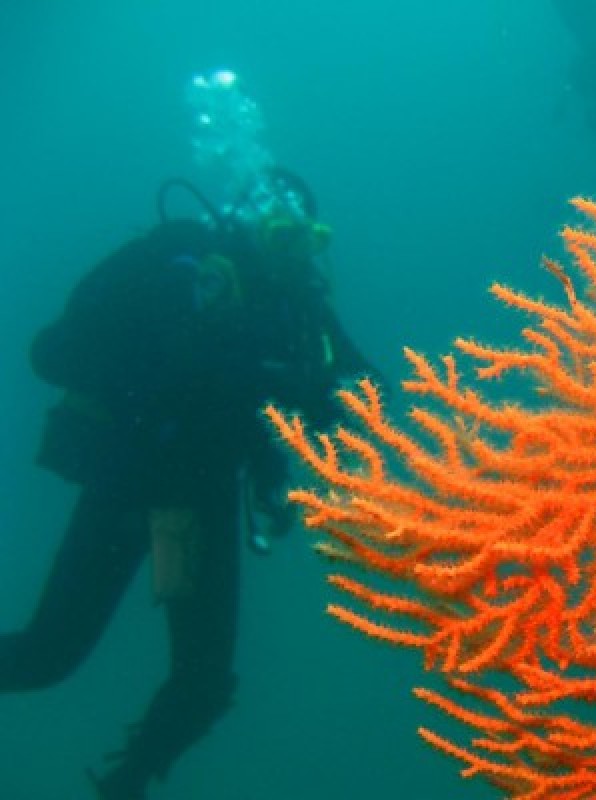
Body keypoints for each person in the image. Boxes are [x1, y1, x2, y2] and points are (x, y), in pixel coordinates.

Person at [0, 167, 376, 799]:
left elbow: (371, 397)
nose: (289, 253)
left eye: (304, 239)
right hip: (133, 483)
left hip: (202, 501)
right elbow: (57, 353)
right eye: (278, 233)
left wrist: (321, 392)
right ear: (247, 225)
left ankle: (124, 785)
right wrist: (231, 358)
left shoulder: (299, 306)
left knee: (203, 683)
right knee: (50, 656)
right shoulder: (181, 269)